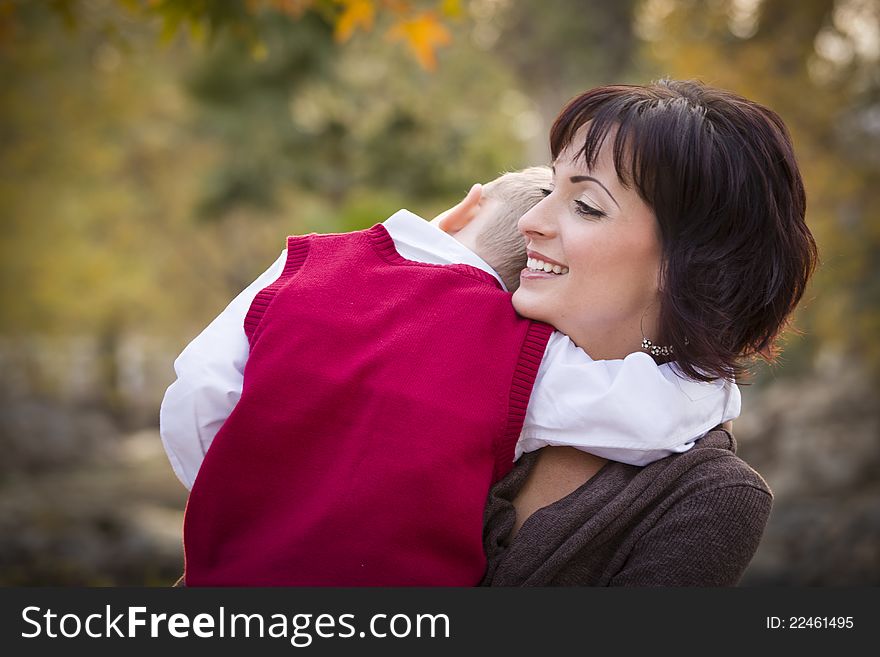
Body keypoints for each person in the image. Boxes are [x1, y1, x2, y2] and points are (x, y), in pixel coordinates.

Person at [162, 167, 739, 586]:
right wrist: (715, 379)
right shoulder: (513, 348)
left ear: (466, 207)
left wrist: (245, 493)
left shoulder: (305, 261)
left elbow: (197, 390)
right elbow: (642, 417)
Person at [480, 79, 818, 586]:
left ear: (688, 264)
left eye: (587, 206)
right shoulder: (464, 353)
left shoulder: (707, 497)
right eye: (551, 189)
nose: (531, 220)